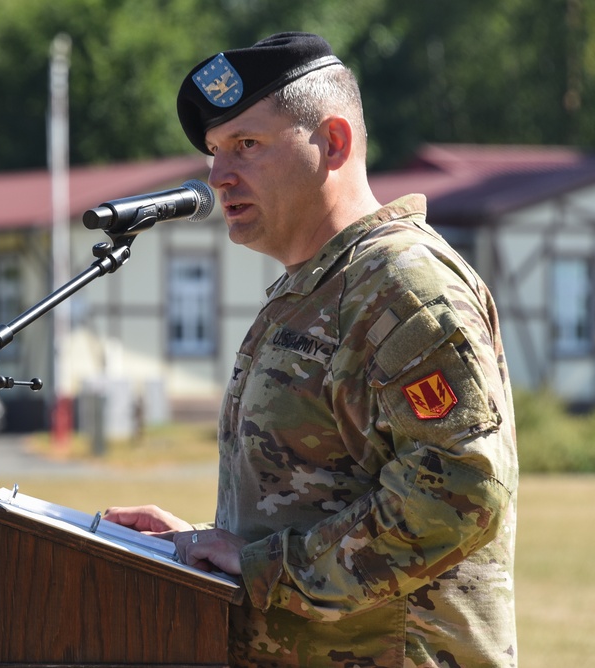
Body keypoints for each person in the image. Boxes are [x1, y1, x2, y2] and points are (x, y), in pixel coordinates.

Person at [104, 32, 518, 667]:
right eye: (215, 151)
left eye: (247, 145)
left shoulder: (402, 286)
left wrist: (262, 566)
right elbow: (322, 494)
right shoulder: (318, 287)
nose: (218, 176)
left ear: (334, 142)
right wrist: (199, 546)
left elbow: (458, 492)